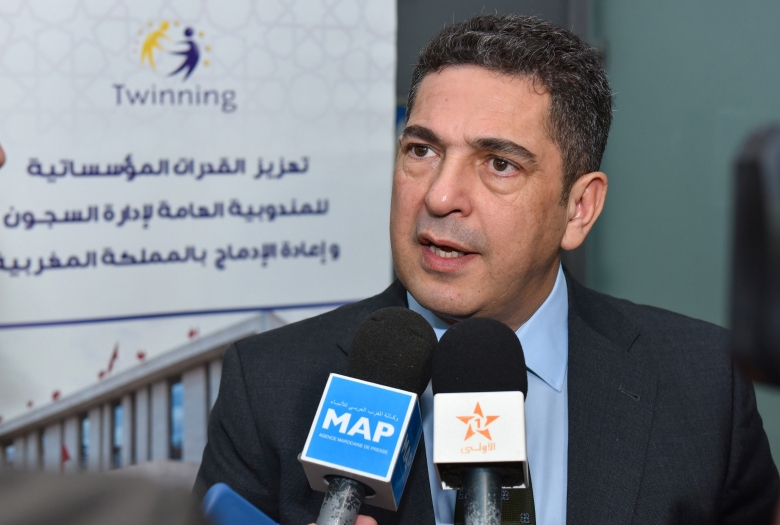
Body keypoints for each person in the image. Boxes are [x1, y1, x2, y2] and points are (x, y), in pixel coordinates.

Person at [196, 14, 779, 524]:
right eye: (422, 150)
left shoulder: (703, 385)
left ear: (579, 208)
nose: (440, 196)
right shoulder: (268, 387)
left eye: (499, 163)